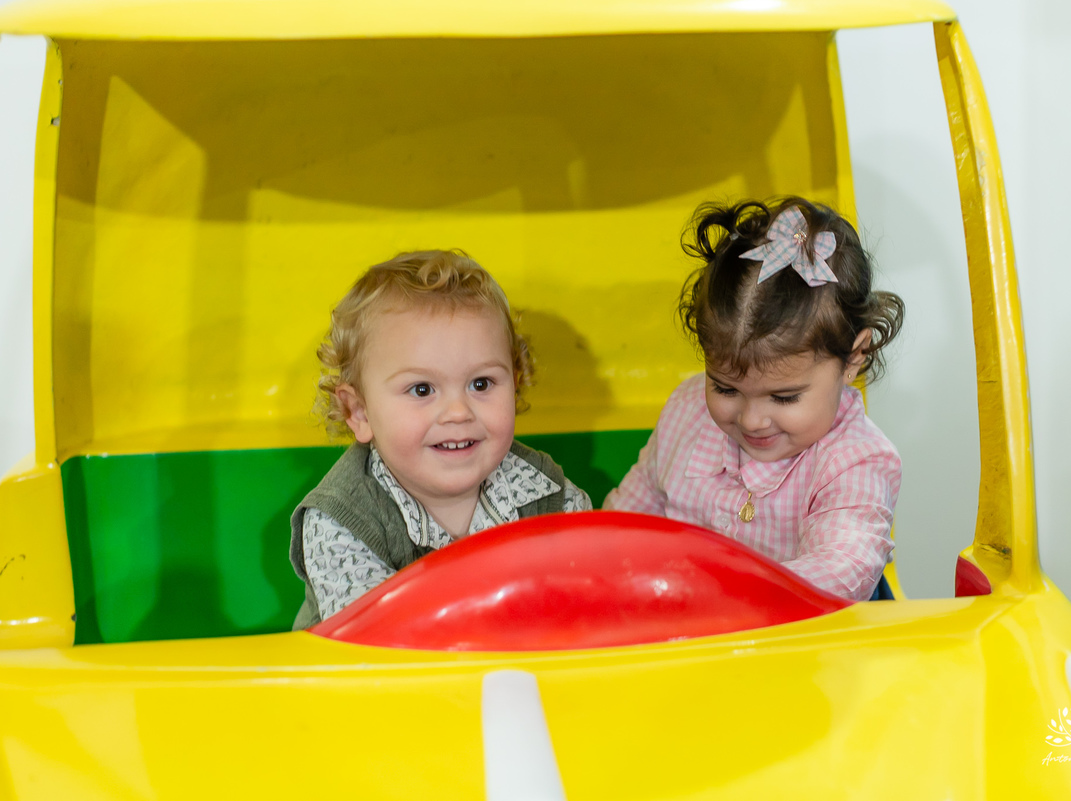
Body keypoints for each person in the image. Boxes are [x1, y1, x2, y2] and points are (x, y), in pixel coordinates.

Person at [605, 197, 904, 602]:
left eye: (783, 397)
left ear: (854, 357)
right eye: (726, 388)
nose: (751, 420)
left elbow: (842, 571)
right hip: (692, 631)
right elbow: (629, 519)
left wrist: (719, 595)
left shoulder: (855, 460)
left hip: (812, 645)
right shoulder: (687, 410)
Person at [290, 250, 591, 627]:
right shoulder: (341, 520)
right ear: (360, 412)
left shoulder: (545, 493)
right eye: (421, 389)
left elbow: (591, 594)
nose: (458, 412)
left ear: (514, 384)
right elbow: (375, 640)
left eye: (481, 384)